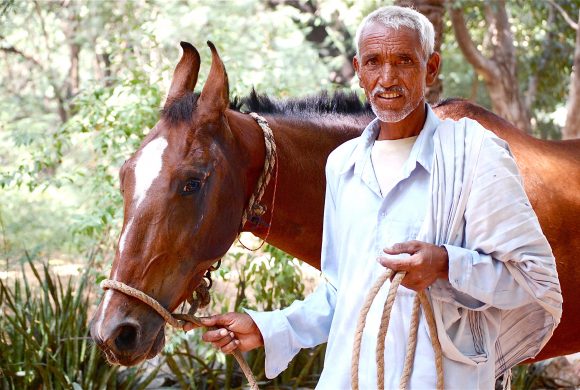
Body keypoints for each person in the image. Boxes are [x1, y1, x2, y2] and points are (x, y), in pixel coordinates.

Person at [185, 6, 562, 388]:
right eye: (374, 62)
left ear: (430, 68)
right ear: (358, 70)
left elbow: (535, 281)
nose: (388, 77)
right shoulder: (342, 165)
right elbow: (344, 291)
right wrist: (268, 328)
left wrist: (447, 264)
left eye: (404, 61)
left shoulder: (476, 155)